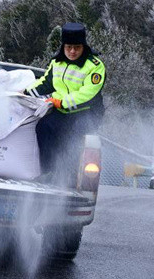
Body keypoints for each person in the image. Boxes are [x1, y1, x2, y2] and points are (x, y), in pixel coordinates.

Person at [25, 22, 106, 179]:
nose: (72, 51)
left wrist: (62, 102)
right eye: (69, 47)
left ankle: (71, 175)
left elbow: (87, 93)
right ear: (63, 46)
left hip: (87, 113)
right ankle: (48, 171)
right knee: (44, 127)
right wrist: (25, 92)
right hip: (62, 111)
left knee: (74, 136)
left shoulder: (95, 66)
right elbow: (46, 83)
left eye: (77, 47)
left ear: (84, 46)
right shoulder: (57, 63)